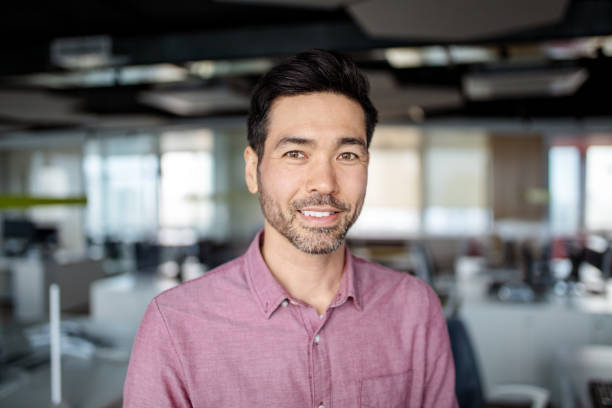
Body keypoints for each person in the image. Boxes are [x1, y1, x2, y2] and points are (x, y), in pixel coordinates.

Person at [123, 49, 458, 407]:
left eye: (347, 155)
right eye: (296, 154)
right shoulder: (175, 324)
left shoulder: (414, 308)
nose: (324, 183)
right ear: (253, 170)